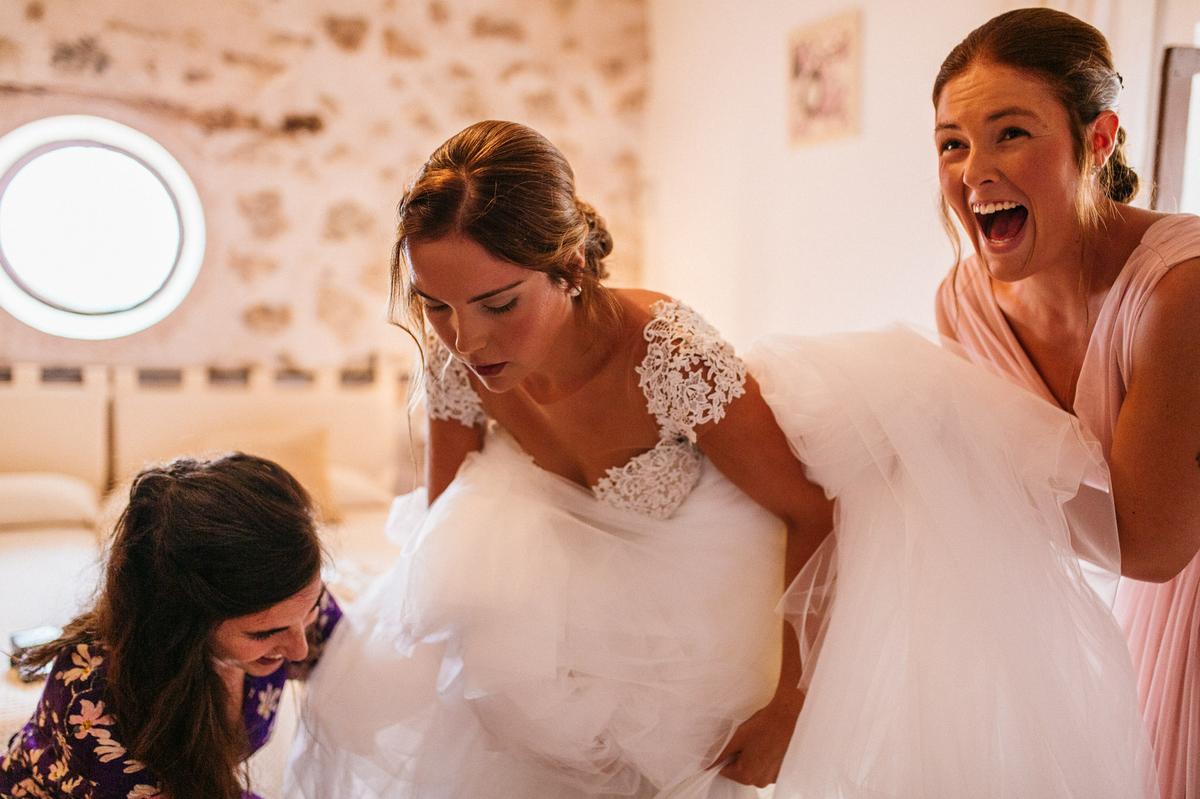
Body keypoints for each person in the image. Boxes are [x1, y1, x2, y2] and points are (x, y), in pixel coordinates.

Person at [291, 120, 1154, 798]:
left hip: (697, 644)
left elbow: (811, 512)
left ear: (569, 266)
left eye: (498, 303)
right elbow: (442, 523)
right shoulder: (454, 362)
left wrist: (789, 705)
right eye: (436, 306)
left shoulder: (669, 353)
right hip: (549, 641)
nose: (466, 338)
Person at [932, 9, 1200, 797]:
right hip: (1143, 613)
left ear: (1099, 138)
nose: (974, 171)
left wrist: (948, 458)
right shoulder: (963, 304)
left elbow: (1148, 546)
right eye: (952, 142)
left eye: (1010, 133)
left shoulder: (1180, 289)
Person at [0, 453, 342, 799]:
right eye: (263, 634)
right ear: (183, 621)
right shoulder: (93, 705)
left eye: (311, 608)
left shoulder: (288, 599)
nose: (299, 648)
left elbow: (349, 653)